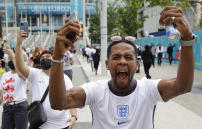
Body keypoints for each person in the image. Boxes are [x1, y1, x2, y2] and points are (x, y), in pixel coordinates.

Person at [49, 6, 196, 129]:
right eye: (116, 57)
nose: (123, 62)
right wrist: (57, 56)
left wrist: (187, 38)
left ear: (137, 64)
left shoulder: (149, 89)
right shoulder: (96, 91)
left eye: (129, 57)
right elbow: (59, 102)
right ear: (107, 64)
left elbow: (183, 86)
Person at [15, 30, 77, 129]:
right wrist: (18, 44)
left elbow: (71, 99)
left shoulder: (64, 78)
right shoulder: (35, 74)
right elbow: (20, 66)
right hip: (40, 125)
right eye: (42, 58)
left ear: (54, 59)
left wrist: (74, 116)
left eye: (48, 56)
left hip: (62, 125)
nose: (45, 58)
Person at [0, 48, 28, 129]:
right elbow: (0, 95)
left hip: (20, 107)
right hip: (7, 108)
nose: (10, 60)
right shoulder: (5, 75)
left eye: (12, 59)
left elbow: (21, 74)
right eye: (9, 59)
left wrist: (13, 56)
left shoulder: (23, 73)